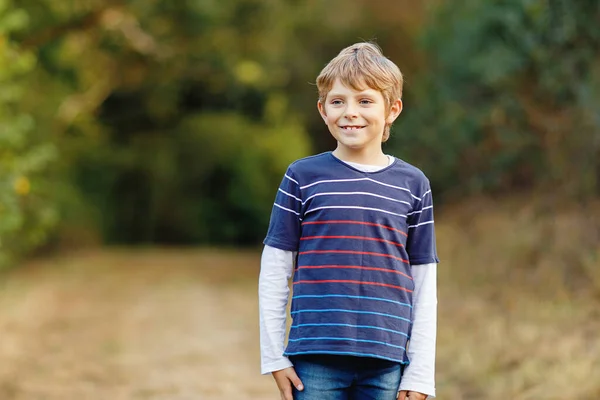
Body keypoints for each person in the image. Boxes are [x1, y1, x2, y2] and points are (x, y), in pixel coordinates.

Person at [259, 42, 439, 400]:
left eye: (365, 101)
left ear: (392, 110)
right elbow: (276, 268)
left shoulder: (414, 184)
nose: (350, 112)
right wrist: (273, 356)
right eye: (338, 101)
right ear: (322, 109)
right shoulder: (302, 176)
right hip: (315, 358)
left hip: (387, 360)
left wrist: (419, 375)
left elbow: (424, 281)